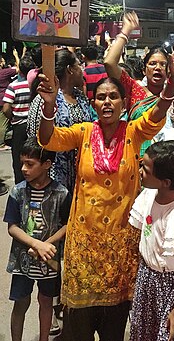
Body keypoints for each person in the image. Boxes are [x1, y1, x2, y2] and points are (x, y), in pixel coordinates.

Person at [36, 26, 174, 341]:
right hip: (84, 247)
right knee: (80, 330)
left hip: (121, 248)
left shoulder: (133, 132)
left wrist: (169, 87)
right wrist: (49, 106)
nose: (106, 102)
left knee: (115, 327)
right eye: (100, 97)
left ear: (122, 100)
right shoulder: (83, 132)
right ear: (95, 101)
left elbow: (156, 115)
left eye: (113, 96)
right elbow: (48, 139)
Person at [129, 141, 174, 341]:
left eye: (145, 168)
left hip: (172, 287)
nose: (140, 171)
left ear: (166, 182)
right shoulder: (148, 196)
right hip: (147, 281)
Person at [3, 137, 71, 341]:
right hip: (22, 260)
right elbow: (12, 227)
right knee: (20, 303)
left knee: (46, 302)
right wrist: (35, 244)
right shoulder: (17, 191)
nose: (24, 168)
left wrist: (46, 244)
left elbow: (68, 224)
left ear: (47, 165)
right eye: (22, 162)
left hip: (48, 261)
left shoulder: (61, 193)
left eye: (30, 164)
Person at [27, 48, 92, 195]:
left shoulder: (80, 97)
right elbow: (35, 142)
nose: (82, 69)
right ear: (70, 70)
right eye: (79, 65)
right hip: (52, 180)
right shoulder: (43, 100)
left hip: (80, 178)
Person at [3, 55, 36, 183]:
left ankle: (20, 184)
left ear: (20, 70)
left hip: (19, 126)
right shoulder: (35, 85)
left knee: (18, 158)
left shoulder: (14, 86)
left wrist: (12, 118)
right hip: (33, 125)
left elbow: (6, 108)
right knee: (34, 156)